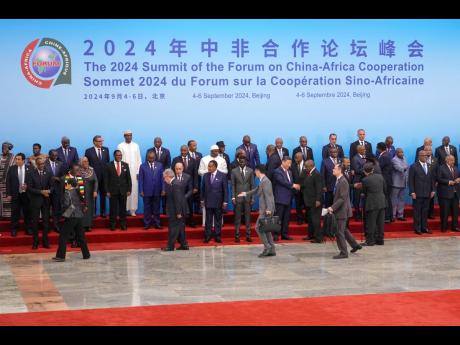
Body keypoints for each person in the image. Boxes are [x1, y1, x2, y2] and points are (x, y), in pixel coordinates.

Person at [52, 167, 90, 262]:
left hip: (71, 215)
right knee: (81, 236)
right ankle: (86, 254)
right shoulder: (77, 191)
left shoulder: (68, 192)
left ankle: (60, 256)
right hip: (78, 214)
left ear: (69, 184)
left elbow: (66, 204)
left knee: (63, 235)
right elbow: (81, 200)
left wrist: (64, 214)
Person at [238, 165, 276, 257]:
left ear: (258, 171)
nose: (255, 173)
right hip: (266, 209)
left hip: (266, 210)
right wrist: (246, 193)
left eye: (255, 171)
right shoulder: (263, 180)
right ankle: (272, 249)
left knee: (258, 228)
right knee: (266, 229)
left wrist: (269, 209)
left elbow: (269, 196)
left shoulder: (266, 181)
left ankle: (267, 248)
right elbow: (257, 190)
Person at [327, 164, 362, 259]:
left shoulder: (343, 182)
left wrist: (332, 208)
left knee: (339, 232)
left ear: (340, 170)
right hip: (341, 210)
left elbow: (342, 198)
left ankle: (343, 252)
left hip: (341, 211)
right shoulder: (339, 180)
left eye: (334, 168)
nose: (333, 169)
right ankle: (355, 245)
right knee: (344, 230)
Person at [355, 162, 387, 246]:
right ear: (372, 170)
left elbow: (364, 192)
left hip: (371, 203)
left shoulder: (365, 180)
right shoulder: (380, 177)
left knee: (371, 222)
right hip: (382, 201)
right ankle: (380, 240)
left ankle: (370, 241)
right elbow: (385, 189)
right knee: (380, 222)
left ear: (364, 171)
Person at [27, 157, 52, 249]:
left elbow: (52, 186)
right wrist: (41, 192)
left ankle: (45, 242)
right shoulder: (30, 173)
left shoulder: (48, 172)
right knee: (35, 222)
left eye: (43, 164)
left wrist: (48, 191)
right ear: (36, 164)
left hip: (46, 201)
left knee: (46, 222)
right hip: (35, 200)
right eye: (40, 164)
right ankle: (35, 242)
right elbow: (29, 188)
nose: (42, 165)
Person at [161, 169, 189, 251]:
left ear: (168, 176)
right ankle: (184, 245)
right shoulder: (173, 183)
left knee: (173, 228)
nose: (164, 179)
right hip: (176, 210)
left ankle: (170, 246)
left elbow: (178, 200)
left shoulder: (175, 184)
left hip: (176, 211)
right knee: (180, 228)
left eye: (164, 177)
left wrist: (178, 212)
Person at [273, 156, 300, 241]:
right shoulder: (277, 171)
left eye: (290, 163)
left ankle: (284, 234)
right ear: (283, 162)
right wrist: (293, 185)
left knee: (286, 218)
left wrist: (294, 186)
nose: (289, 165)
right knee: (278, 217)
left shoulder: (290, 172)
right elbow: (282, 182)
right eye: (288, 163)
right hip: (280, 198)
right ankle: (276, 234)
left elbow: (289, 182)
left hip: (288, 198)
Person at [200, 160, 228, 243]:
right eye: (208, 166)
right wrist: (202, 200)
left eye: (210, 166)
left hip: (218, 202)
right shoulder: (205, 176)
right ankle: (207, 236)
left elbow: (225, 190)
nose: (209, 168)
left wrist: (225, 201)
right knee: (208, 220)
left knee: (218, 220)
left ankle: (217, 236)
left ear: (215, 166)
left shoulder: (222, 175)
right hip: (208, 201)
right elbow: (202, 189)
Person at [409, 150, 435, 235]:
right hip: (417, 193)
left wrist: (433, 190)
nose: (425, 157)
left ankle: (424, 227)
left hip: (427, 193)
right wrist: (412, 192)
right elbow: (410, 180)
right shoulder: (413, 166)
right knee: (417, 212)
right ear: (419, 156)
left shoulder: (429, 166)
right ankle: (417, 228)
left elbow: (432, 179)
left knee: (425, 211)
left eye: (426, 156)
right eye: (423, 155)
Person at [105, 150, 132, 231]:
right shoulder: (108, 165)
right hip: (112, 191)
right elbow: (106, 180)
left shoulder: (125, 165)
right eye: (117, 155)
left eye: (120, 155)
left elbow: (128, 179)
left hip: (123, 191)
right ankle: (112, 225)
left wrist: (129, 189)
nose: (119, 156)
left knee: (123, 209)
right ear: (114, 156)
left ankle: (123, 224)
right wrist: (107, 191)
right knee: (113, 209)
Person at [5, 153, 32, 236]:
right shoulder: (12, 168)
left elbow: (33, 180)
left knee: (27, 212)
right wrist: (8, 194)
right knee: (15, 212)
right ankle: (14, 229)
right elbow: (8, 182)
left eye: (18, 159)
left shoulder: (30, 168)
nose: (16, 160)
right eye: (16, 159)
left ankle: (28, 228)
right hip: (15, 194)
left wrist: (28, 186)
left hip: (26, 194)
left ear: (23, 160)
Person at [172, 145, 198, 227]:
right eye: (182, 150)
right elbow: (172, 173)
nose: (183, 152)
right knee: (178, 204)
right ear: (180, 150)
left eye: (185, 150)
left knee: (190, 204)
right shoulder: (176, 159)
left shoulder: (193, 160)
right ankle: (179, 221)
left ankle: (190, 221)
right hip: (178, 185)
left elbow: (195, 174)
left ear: (188, 150)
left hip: (189, 186)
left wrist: (196, 186)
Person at [117, 130, 141, 216]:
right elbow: (118, 159)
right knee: (124, 190)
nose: (129, 137)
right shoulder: (120, 146)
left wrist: (138, 172)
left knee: (133, 190)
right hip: (123, 172)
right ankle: (123, 209)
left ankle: (132, 210)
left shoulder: (136, 146)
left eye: (130, 135)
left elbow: (139, 159)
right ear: (124, 136)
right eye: (127, 135)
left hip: (134, 172)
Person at [84, 135, 110, 218]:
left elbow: (107, 163)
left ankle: (103, 212)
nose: (101, 142)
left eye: (102, 141)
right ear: (94, 142)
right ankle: (93, 212)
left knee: (103, 195)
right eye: (99, 141)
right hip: (93, 177)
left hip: (104, 177)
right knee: (93, 195)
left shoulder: (106, 150)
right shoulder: (88, 151)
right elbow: (86, 164)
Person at [299, 160, 324, 243]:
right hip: (309, 201)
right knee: (310, 219)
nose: (305, 168)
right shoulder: (307, 173)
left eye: (306, 166)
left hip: (315, 201)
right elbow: (302, 180)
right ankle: (310, 235)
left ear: (311, 166)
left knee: (315, 220)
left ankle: (318, 238)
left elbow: (319, 188)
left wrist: (318, 200)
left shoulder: (317, 174)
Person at [231, 157, 255, 242]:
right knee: (237, 218)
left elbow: (252, 185)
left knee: (248, 218)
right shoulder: (234, 171)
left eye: (243, 162)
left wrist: (252, 197)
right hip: (238, 198)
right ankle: (237, 236)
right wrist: (233, 197)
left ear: (246, 162)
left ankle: (248, 235)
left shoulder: (251, 171)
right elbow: (233, 185)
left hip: (248, 197)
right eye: (240, 162)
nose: (242, 163)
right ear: (238, 162)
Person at [139, 151, 164, 230]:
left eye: (152, 158)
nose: (151, 159)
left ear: (155, 157)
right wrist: (141, 190)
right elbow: (140, 180)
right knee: (147, 208)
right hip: (146, 191)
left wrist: (163, 189)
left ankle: (157, 223)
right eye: (149, 158)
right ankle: (147, 224)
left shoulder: (160, 165)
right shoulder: (142, 166)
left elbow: (162, 179)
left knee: (157, 208)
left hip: (157, 191)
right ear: (147, 157)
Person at [146, 137, 171, 215]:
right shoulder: (149, 151)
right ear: (154, 142)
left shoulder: (166, 151)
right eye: (156, 142)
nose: (157, 143)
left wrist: (163, 173)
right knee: (154, 193)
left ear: (161, 142)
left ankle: (164, 210)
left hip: (164, 176)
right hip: (153, 176)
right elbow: (147, 164)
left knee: (164, 193)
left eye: (159, 142)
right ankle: (153, 212)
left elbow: (168, 164)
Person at [437, 155, 460, 232]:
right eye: (451, 160)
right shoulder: (441, 168)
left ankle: (455, 226)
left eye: (453, 160)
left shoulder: (456, 168)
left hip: (455, 194)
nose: (453, 161)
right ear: (447, 160)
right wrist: (448, 182)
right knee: (444, 212)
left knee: (455, 212)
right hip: (445, 194)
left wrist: (458, 179)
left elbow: (458, 176)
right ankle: (444, 227)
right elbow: (438, 179)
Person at [45, 149, 64, 232]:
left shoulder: (60, 164)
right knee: (46, 209)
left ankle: (56, 225)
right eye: (54, 155)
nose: (56, 157)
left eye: (57, 155)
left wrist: (59, 178)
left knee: (57, 209)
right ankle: (47, 226)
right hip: (47, 189)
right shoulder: (44, 163)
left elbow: (64, 176)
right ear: (49, 155)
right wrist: (51, 178)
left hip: (57, 189)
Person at [79, 157, 98, 232]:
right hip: (81, 193)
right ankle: (83, 225)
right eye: (84, 161)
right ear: (81, 162)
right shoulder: (78, 170)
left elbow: (96, 181)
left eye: (87, 161)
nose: (86, 162)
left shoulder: (92, 170)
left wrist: (95, 191)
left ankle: (89, 225)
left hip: (90, 193)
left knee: (90, 209)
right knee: (83, 208)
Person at [376, 142, 393, 223]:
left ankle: (387, 217)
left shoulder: (384, 156)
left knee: (385, 198)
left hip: (385, 180)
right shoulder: (388, 154)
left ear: (379, 148)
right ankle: (390, 216)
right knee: (388, 198)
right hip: (388, 179)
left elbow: (379, 168)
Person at [391, 148, 409, 221]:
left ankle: (400, 215)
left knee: (401, 199)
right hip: (396, 183)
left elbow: (407, 170)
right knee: (394, 200)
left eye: (402, 152)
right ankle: (393, 215)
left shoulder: (404, 158)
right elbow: (399, 168)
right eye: (400, 152)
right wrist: (405, 167)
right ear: (396, 153)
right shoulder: (394, 160)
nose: (401, 153)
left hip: (403, 182)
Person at [351, 145, 367, 220]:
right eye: (363, 149)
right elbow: (356, 170)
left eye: (364, 149)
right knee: (356, 199)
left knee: (365, 199)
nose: (365, 150)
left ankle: (364, 214)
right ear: (359, 150)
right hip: (358, 180)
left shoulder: (365, 157)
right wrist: (367, 170)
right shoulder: (355, 158)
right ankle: (357, 215)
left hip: (365, 181)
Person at [187, 139, 203, 216]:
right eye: (194, 145)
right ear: (189, 146)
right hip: (188, 179)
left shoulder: (199, 155)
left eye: (196, 145)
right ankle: (189, 211)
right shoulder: (185, 155)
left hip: (198, 178)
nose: (195, 147)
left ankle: (197, 210)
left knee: (197, 194)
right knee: (189, 196)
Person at [0, 142, 15, 219]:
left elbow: (14, 170)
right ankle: (1, 215)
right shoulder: (0, 157)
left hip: (9, 183)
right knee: (1, 200)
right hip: (0, 183)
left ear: (9, 148)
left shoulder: (13, 157)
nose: (3, 149)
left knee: (8, 199)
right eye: (2, 147)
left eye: (5, 147)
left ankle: (8, 215)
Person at [291, 152, 307, 224]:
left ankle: (307, 219)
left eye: (296, 158)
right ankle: (299, 219)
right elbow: (291, 177)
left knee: (307, 205)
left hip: (306, 189)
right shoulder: (293, 165)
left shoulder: (307, 164)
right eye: (295, 157)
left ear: (301, 157)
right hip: (296, 189)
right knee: (298, 205)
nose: (295, 159)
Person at [424, 145, 438, 219]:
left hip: (433, 182)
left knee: (432, 198)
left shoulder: (435, 159)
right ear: (424, 150)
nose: (428, 151)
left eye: (430, 150)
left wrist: (437, 181)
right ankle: (425, 214)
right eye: (427, 150)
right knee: (425, 198)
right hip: (424, 182)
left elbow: (437, 171)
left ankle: (431, 214)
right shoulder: (422, 159)